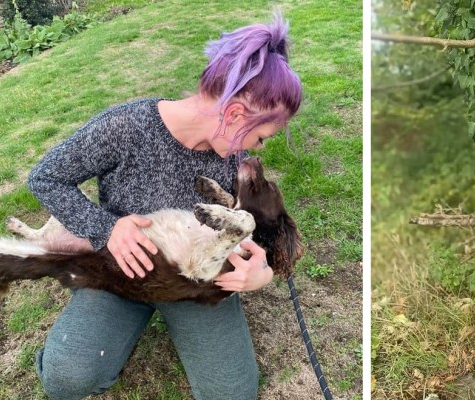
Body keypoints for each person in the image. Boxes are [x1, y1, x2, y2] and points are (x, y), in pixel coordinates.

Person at [25, 14, 302, 400]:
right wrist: (106, 228)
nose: (258, 147)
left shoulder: (229, 151)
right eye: (261, 135)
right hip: (122, 274)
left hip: (196, 285)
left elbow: (253, 222)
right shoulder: (126, 127)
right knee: (66, 378)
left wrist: (263, 273)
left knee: (232, 393)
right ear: (235, 113)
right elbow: (45, 177)